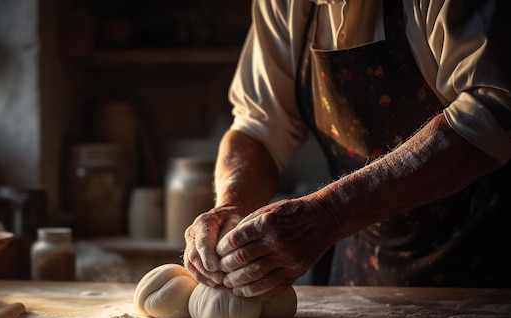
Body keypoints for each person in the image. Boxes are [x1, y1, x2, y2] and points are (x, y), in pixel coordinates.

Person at [182, 0, 511, 299]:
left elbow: (492, 111)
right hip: (362, 273)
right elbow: (258, 127)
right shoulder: (284, 5)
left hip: (485, 265)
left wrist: (330, 214)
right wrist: (230, 207)